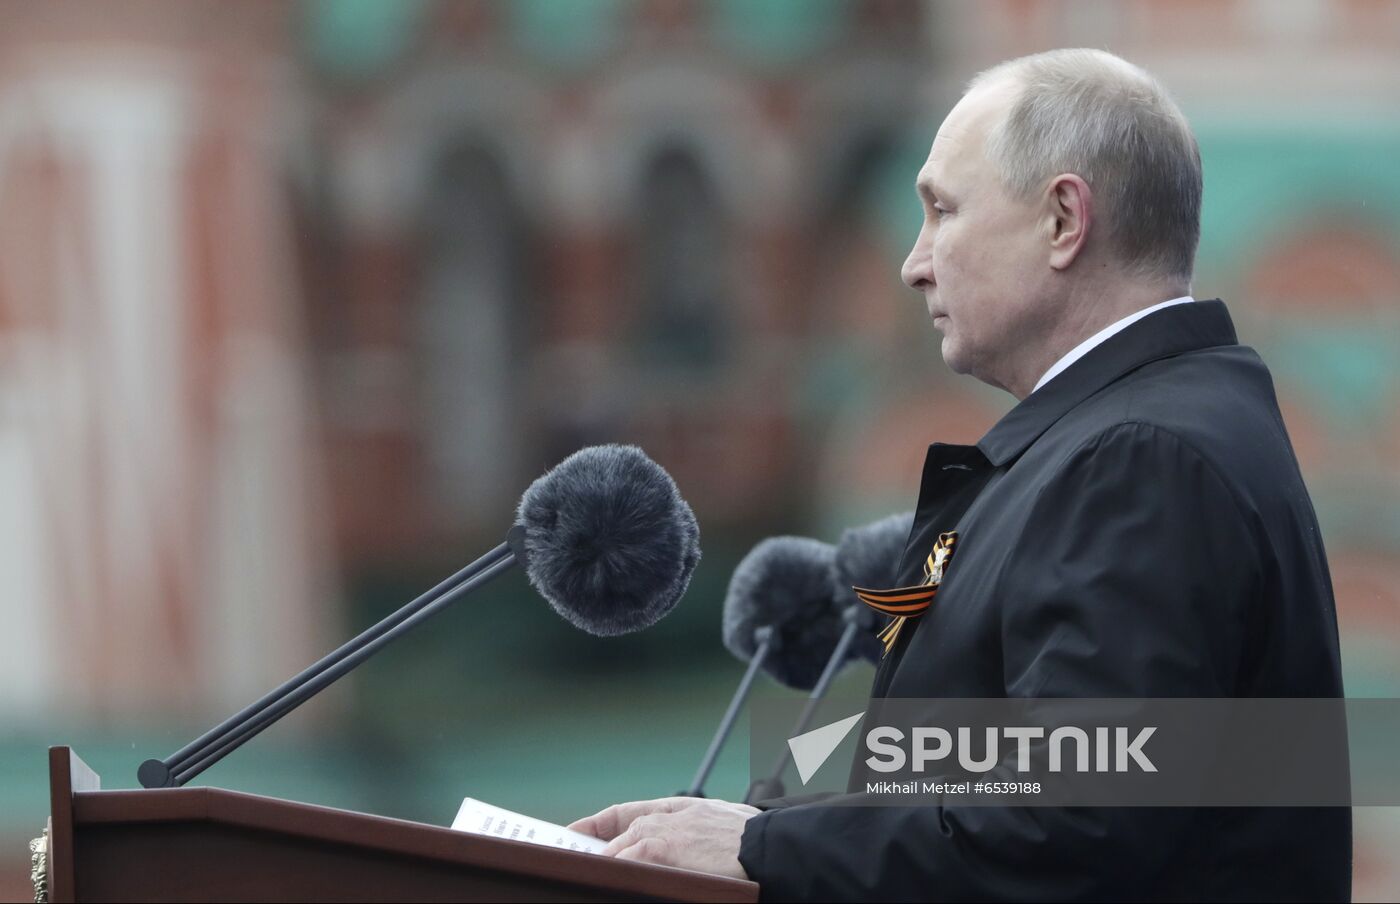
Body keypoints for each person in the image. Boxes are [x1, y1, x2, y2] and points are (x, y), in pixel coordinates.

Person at [569, 48, 1350, 901]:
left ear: (1063, 220)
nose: (915, 262)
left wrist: (767, 848)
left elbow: (1073, 819)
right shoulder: (1140, 433)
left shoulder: (1139, 459)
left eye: (942, 210)